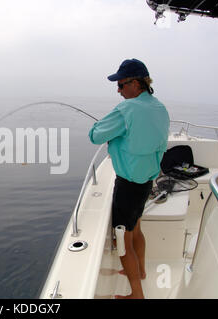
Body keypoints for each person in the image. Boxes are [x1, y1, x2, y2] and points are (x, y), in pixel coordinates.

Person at [89, 58, 170, 299]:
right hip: (146, 183)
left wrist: (107, 131)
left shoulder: (126, 110)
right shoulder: (160, 108)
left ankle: (137, 294)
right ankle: (141, 271)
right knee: (136, 228)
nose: (118, 90)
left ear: (136, 84)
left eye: (121, 84)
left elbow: (94, 135)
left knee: (123, 239)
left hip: (127, 185)